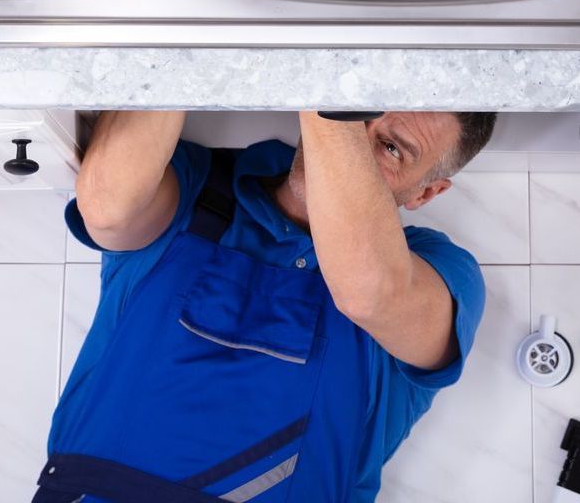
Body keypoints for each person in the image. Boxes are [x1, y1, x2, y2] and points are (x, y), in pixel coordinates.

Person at [34, 109, 497, 503]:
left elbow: (371, 292)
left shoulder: (438, 272)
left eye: (392, 149)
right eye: (363, 113)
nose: (351, 143)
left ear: (424, 193)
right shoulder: (197, 186)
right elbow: (108, 209)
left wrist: (335, 86)